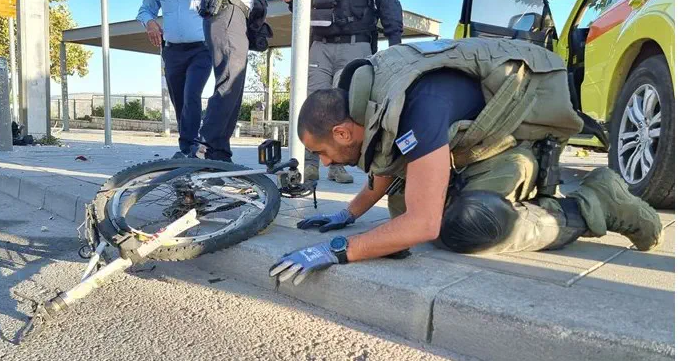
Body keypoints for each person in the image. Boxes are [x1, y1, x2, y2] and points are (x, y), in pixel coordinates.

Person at [269, 37, 663, 286]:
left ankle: (595, 202)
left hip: (515, 149)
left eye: (319, 151)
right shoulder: (372, 97)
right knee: (401, 205)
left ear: (341, 132)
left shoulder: (416, 106)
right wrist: (349, 214)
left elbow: (423, 225)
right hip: (475, 148)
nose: (320, 160)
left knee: (468, 225)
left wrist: (338, 249)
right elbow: (389, 161)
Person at [278, 0, 403, 183]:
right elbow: (305, 2)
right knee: (310, 103)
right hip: (320, 45)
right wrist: (291, 0)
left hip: (356, 44)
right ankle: (308, 161)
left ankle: (338, 163)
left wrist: (395, 43)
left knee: (345, 107)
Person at [194, 0, 269, 162]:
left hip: (236, 14)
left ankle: (220, 155)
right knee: (229, 83)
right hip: (227, 9)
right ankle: (204, 152)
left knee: (234, 87)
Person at [136, 0, 211, 159]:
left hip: (201, 50)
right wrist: (150, 23)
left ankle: (192, 145)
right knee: (179, 100)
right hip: (173, 52)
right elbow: (145, 10)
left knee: (191, 94)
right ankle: (189, 146)